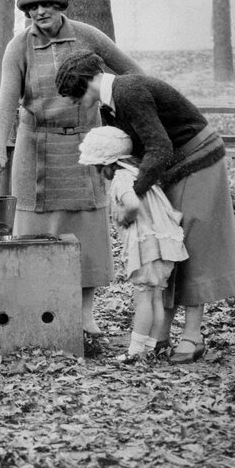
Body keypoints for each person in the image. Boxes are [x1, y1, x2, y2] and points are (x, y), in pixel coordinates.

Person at [57, 51, 235, 364]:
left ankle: (192, 335)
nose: (73, 103)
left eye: (72, 96)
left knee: (190, 242)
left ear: (82, 85)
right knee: (164, 243)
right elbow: (137, 149)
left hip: (199, 157)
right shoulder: (109, 106)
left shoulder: (128, 92)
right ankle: (158, 334)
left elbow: (159, 147)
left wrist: (133, 194)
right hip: (169, 166)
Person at [0, 0, 142, 337]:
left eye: (47, 5)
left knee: (83, 229)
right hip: (34, 146)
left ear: (60, 6)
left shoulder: (87, 36)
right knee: (36, 231)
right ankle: (39, 314)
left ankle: (85, 315)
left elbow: (132, 73)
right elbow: (7, 101)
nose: (39, 12)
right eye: (32, 7)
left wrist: (126, 115)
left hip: (84, 149)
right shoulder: (18, 46)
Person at [78, 126, 188, 363]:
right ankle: (151, 347)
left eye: (99, 168)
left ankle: (136, 351)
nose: (99, 174)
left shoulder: (121, 178)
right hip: (165, 244)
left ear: (109, 163)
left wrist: (124, 216)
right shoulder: (138, 171)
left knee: (143, 299)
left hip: (146, 246)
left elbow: (133, 205)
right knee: (156, 298)